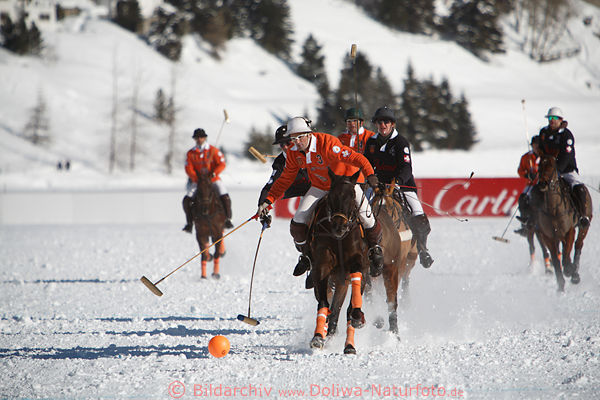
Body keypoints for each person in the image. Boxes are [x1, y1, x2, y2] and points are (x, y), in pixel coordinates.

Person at [257, 116, 384, 277]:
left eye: (299, 137)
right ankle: (307, 256)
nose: (296, 142)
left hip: (344, 183)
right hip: (320, 185)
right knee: (298, 222)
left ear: (308, 134)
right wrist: (268, 201)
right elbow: (284, 179)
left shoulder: (327, 143)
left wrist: (370, 175)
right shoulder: (293, 153)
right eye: (293, 139)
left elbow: (356, 157)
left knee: (366, 216)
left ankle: (374, 249)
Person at [364, 106, 434, 268]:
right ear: (376, 124)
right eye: (380, 122)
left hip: (402, 186)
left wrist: (397, 182)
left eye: (386, 122)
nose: (383, 125)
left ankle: (422, 249)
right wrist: (370, 177)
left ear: (392, 124)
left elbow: (406, 168)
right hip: (378, 186)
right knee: (361, 210)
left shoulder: (400, 142)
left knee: (418, 214)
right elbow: (367, 164)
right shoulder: (372, 142)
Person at [538, 107, 590, 227]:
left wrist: (557, 170)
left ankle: (583, 216)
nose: (552, 121)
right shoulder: (543, 133)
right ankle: (532, 218)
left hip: (566, 169)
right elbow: (540, 151)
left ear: (561, 120)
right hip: (548, 171)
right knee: (535, 189)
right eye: (550, 118)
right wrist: (538, 169)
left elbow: (566, 155)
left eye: (555, 118)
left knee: (578, 187)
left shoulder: (566, 135)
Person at [182, 128, 233, 233]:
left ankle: (228, 219)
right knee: (186, 200)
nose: (199, 139)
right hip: (198, 181)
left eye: (201, 137)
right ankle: (189, 223)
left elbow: (222, 164)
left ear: (205, 138)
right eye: (197, 137)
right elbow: (188, 168)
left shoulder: (213, 150)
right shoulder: (191, 153)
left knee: (225, 196)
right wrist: (196, 178)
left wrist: (214, 173)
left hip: (213, 179)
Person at [257, 125, 311, 206]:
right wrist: (262, 203)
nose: (285, 147)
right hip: (302, 194)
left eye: (288, 143)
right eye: (282, 144)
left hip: (321, 188)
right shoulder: (280, 162)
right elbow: (270, 185)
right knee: (301, 217)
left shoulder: (310, 151)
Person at [514, 136, 541, 236]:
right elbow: (520, 171)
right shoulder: (526, 157)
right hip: (532, 184)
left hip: (543, 183)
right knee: (522, 198)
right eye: (534, 145)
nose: (536, 148)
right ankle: (524, 224)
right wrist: (528, 175)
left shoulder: (546, 156)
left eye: (538, 146)